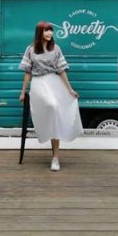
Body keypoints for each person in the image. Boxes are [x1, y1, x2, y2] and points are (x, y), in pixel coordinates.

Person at [19, 21, 82, 171]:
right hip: (39, 83)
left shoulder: (56, 48)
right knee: (52, 105)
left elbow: (61, 70)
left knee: (56, 111)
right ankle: (46, 132)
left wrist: (70, 89)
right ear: (39, 32)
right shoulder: (31, 49)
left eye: (51, 31)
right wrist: (23, 92)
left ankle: (56, 157)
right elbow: (27, 72)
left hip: (54, 82)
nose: (49, 33)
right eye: (46, 31)